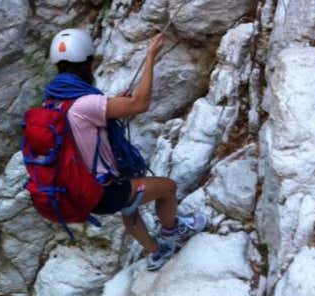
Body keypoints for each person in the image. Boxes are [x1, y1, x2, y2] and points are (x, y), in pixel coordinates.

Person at [46, 28, 206, 271]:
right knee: (167, 188)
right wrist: (151, 55)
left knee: (129, 206)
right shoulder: (85, 103)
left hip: (79, 191)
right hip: (105, 190)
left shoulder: (52, 103)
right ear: (86, 62)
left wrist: (112, 104)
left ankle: (156, 252)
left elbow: (85, 122)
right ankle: (174, 232)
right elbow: (140, 104)